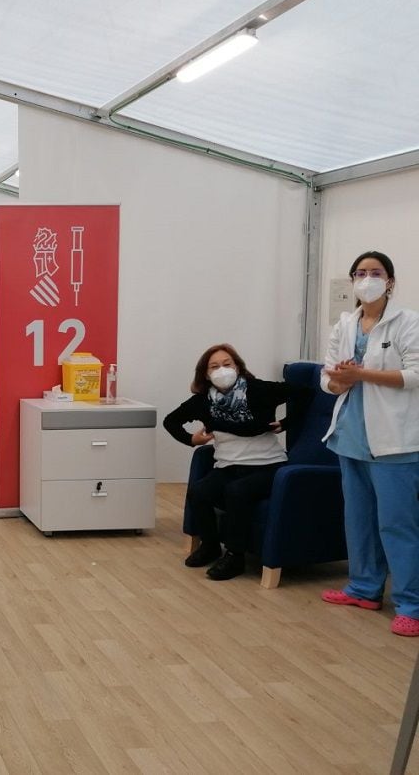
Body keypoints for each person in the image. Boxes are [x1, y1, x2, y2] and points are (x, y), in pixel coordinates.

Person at [320, 250, 419, 637]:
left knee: (397, 525)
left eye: (375, 272)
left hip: (395, 441)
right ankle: (364, 588)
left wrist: (363, 374)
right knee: (358, 520)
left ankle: (410, 603)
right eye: (360, 273)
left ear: (390, 281)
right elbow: (327, 380)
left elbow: (414, 375)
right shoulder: (344, 324)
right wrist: (341, 380)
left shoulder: (407, 321)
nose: (367, 278)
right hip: (350, 435)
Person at [163, 343, 307, 581]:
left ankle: (235, 556)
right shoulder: (203, 401)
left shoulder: (258, 389)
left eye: (227, 364)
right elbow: (171, 421)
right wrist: (192, 439)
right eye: (215, 366)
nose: (222, 370)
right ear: (206, 374)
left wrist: (286, 422)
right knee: (199, 492)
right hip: (228, 465)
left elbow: (304, 393)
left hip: (268, 465)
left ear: (238, 367)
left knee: (237, 492)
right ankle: (209, 546)